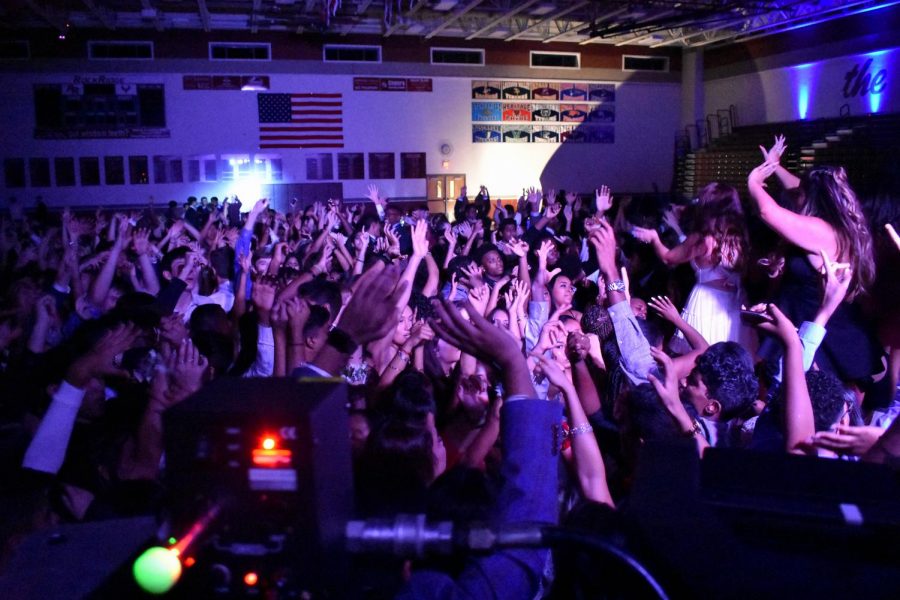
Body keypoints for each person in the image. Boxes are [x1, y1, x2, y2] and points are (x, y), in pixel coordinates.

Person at [748, 135, 882, 386]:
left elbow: (768, 211)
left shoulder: (820, 230)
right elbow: (800, 188)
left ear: (812, 198)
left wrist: (754, 182)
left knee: (803, 396)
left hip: (816, 327)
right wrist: (775, 167)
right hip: (814, 319)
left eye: (801, 193)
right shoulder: (839, 226)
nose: (795, 193)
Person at [632, 182, 751, 352]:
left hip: (707, 303)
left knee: (699, 357)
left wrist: (654, 239)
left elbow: (668, 258)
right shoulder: (739, 237)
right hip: (733, 304)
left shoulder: (703, 238)